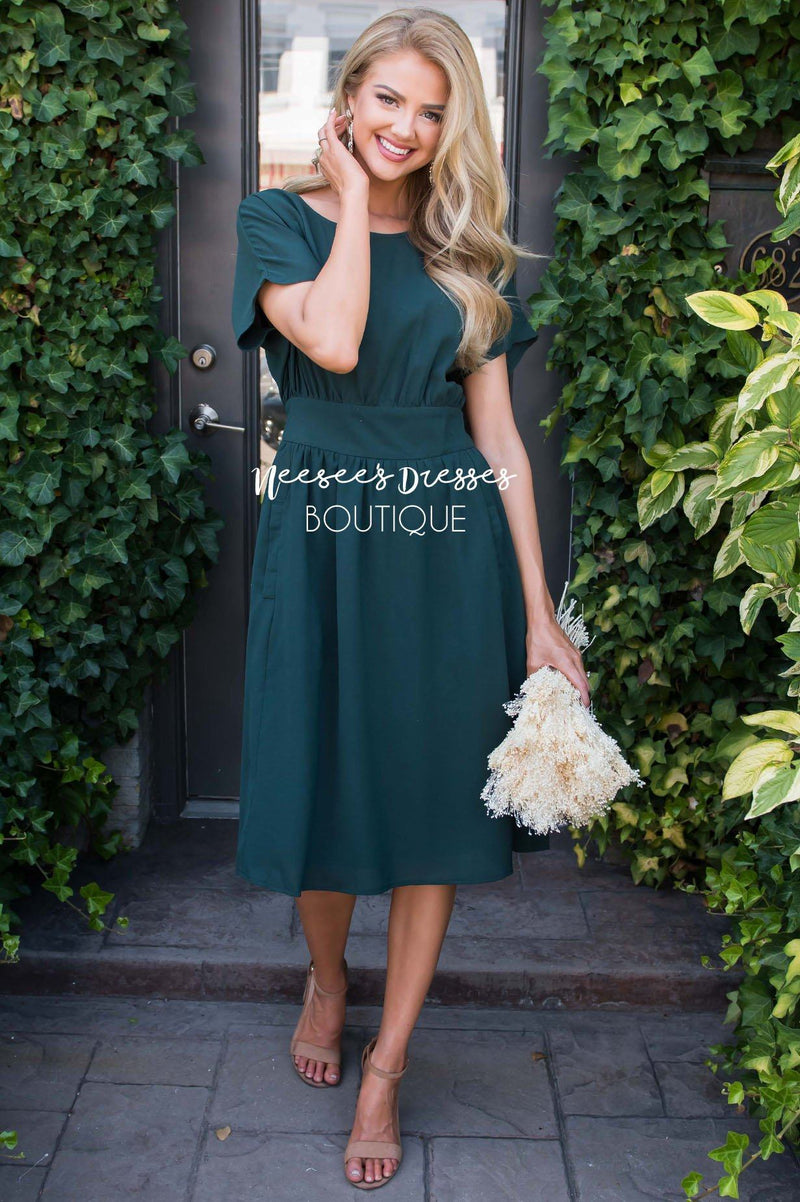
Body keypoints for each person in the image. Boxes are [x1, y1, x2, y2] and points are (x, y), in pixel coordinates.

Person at [231, 7, 590, 1190]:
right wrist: (345, 195)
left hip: (445, 553)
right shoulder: (276, 221)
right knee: (325, 784)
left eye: (432, 112)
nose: (407, 127)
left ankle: (386, 1063)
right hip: (325, 539)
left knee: (434, 801)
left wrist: (537, 611)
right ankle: (328, 976)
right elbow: (334, 344)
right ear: (348, 99)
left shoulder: (464, 252)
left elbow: (500, 445)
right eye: (387, 99)